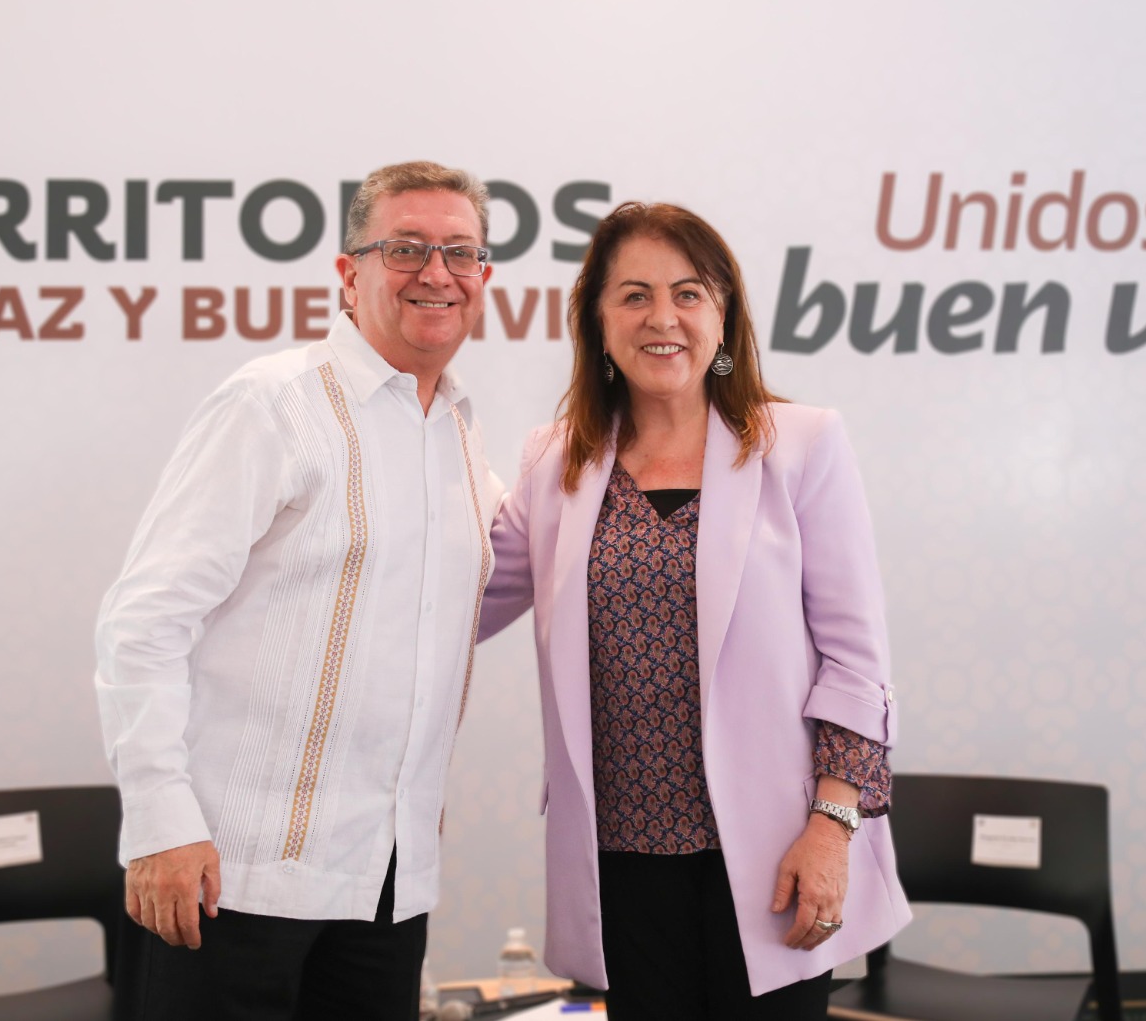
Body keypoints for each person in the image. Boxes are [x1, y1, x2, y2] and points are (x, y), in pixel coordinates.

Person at [479, 201, 910, 1019]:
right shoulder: (552, 461)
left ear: (724, 317)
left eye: (688, 293)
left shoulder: (802, 445)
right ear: (598, 324)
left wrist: (832, 826)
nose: (662, 317)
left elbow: (857, 661)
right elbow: (453, 600)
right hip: (622, 856)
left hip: (776, 848)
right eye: (633, 295)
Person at [95, 160, 501, 1020]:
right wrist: (162, 821)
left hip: (382, 886)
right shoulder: (271, 404)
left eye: (459, 252)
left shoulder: (459, 434)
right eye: (406, 248)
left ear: (484, 279)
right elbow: (144, 623)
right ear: (349, 274)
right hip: (228, 874)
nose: (436, 272)